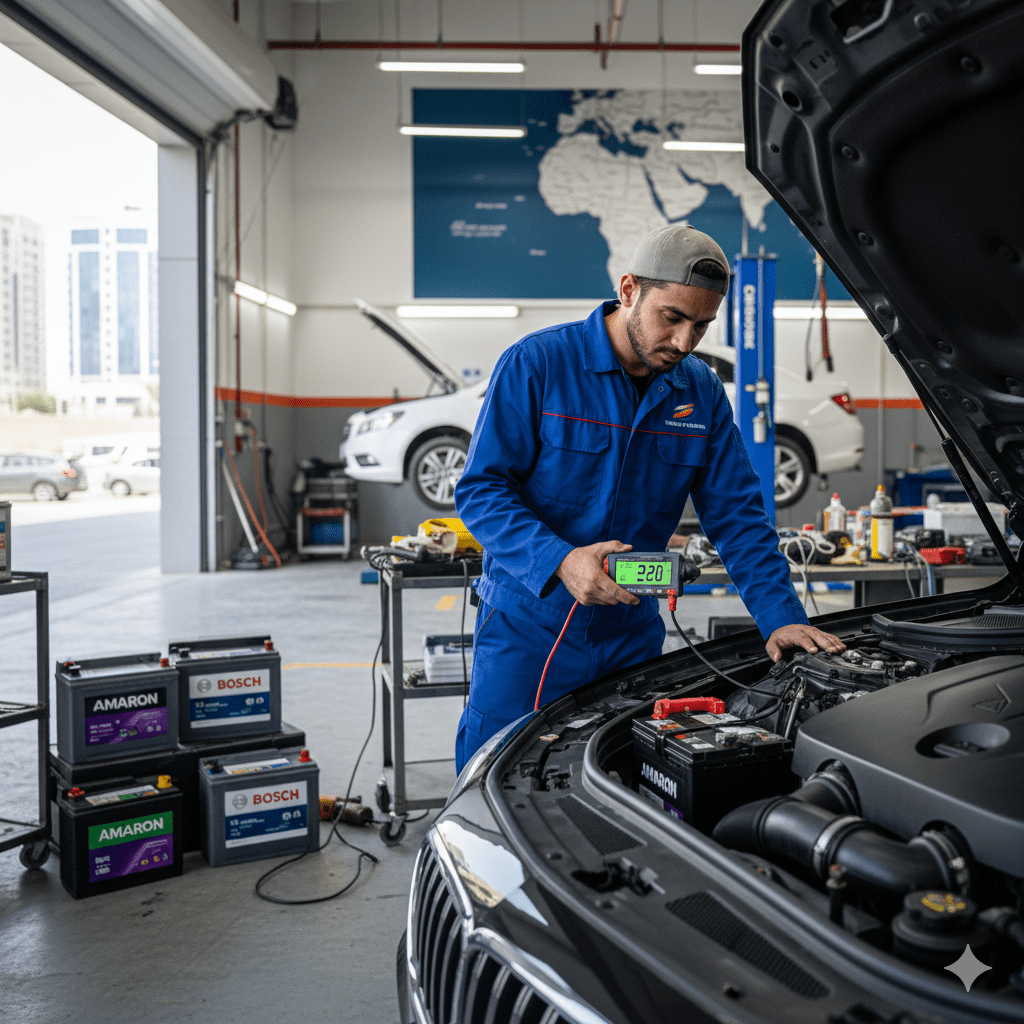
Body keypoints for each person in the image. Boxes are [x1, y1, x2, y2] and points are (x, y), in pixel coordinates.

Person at [453, 224, 845, 772]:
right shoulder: (538, 365)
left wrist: (780, 617)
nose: (685, 343)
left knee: (623, 776)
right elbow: (480, 491)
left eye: (702, 326)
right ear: (630, 288)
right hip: (529, 628)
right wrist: (561, 561)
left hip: (630, 631)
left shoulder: (700, 391)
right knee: (495, 772)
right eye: (673, 318)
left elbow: (737, 515)